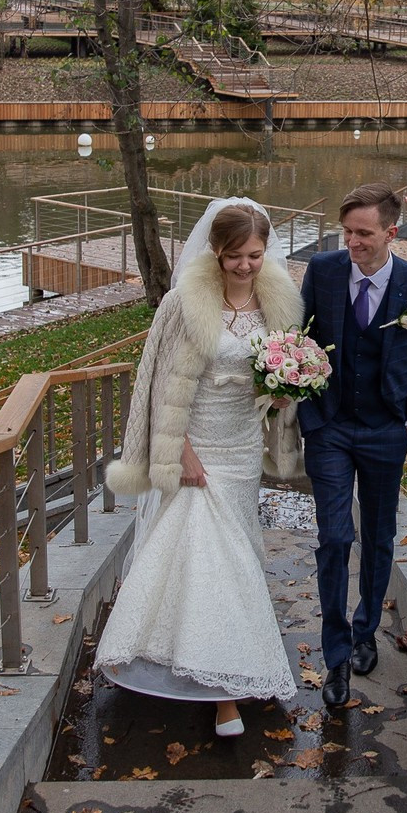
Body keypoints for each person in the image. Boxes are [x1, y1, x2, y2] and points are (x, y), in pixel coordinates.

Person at [99, 198, 304, 737]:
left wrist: (283, 394)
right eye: (235, 256)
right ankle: (224, 696)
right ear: (215, 250)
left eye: (254, 255)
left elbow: (276, 374)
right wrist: (180, 449)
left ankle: (196, 649)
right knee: (207, 553)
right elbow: (158, 380)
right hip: (197, 445)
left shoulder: (279, 302)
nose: (245, 266)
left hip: (242, 448)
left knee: (233, 555)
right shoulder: (182, 302)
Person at [297, 182, 407, 709]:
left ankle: (365, 631)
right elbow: (300, 338)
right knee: (335, 537)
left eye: (363, 233)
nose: (352, 242)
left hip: (387, 431)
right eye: (346, 232)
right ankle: (336, 655)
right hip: (330, 428)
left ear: (391, 232)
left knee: (379, 537)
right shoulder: (323, 271)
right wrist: (308, 410)